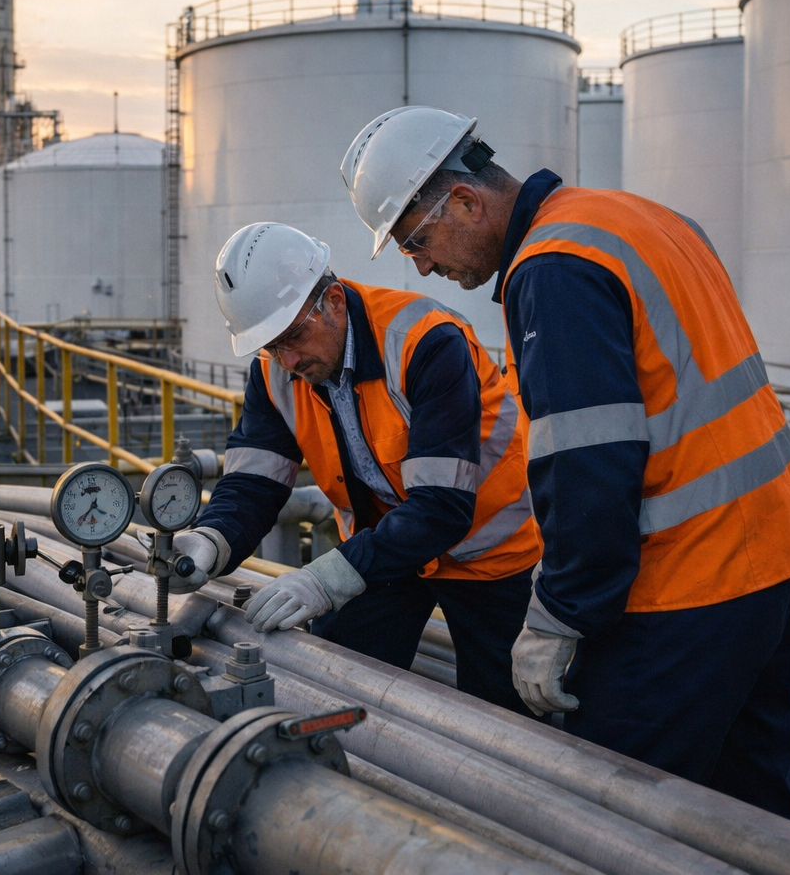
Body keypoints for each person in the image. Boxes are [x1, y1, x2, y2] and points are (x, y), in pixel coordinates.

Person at [340, 105, 790, 817]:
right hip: (778, 555)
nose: (421, 265)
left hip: (689, 587)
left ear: (467, 202)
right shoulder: (632, 217)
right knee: (751, 808)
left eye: (417, 239)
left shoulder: (555, 268)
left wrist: (558, 618)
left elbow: (588, 466)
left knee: (613, 815)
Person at [169, 221, 541, 711]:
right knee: (336, 675)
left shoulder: (424, 341)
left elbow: (442, 506)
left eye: (294, 335)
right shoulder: (276, 368)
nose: (288, 358)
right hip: (388, 545)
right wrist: (212, 539)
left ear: (336, 302)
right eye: (271, 344)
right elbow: (255, 479)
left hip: (485, 547)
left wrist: (328, 579)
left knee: (503, 711)